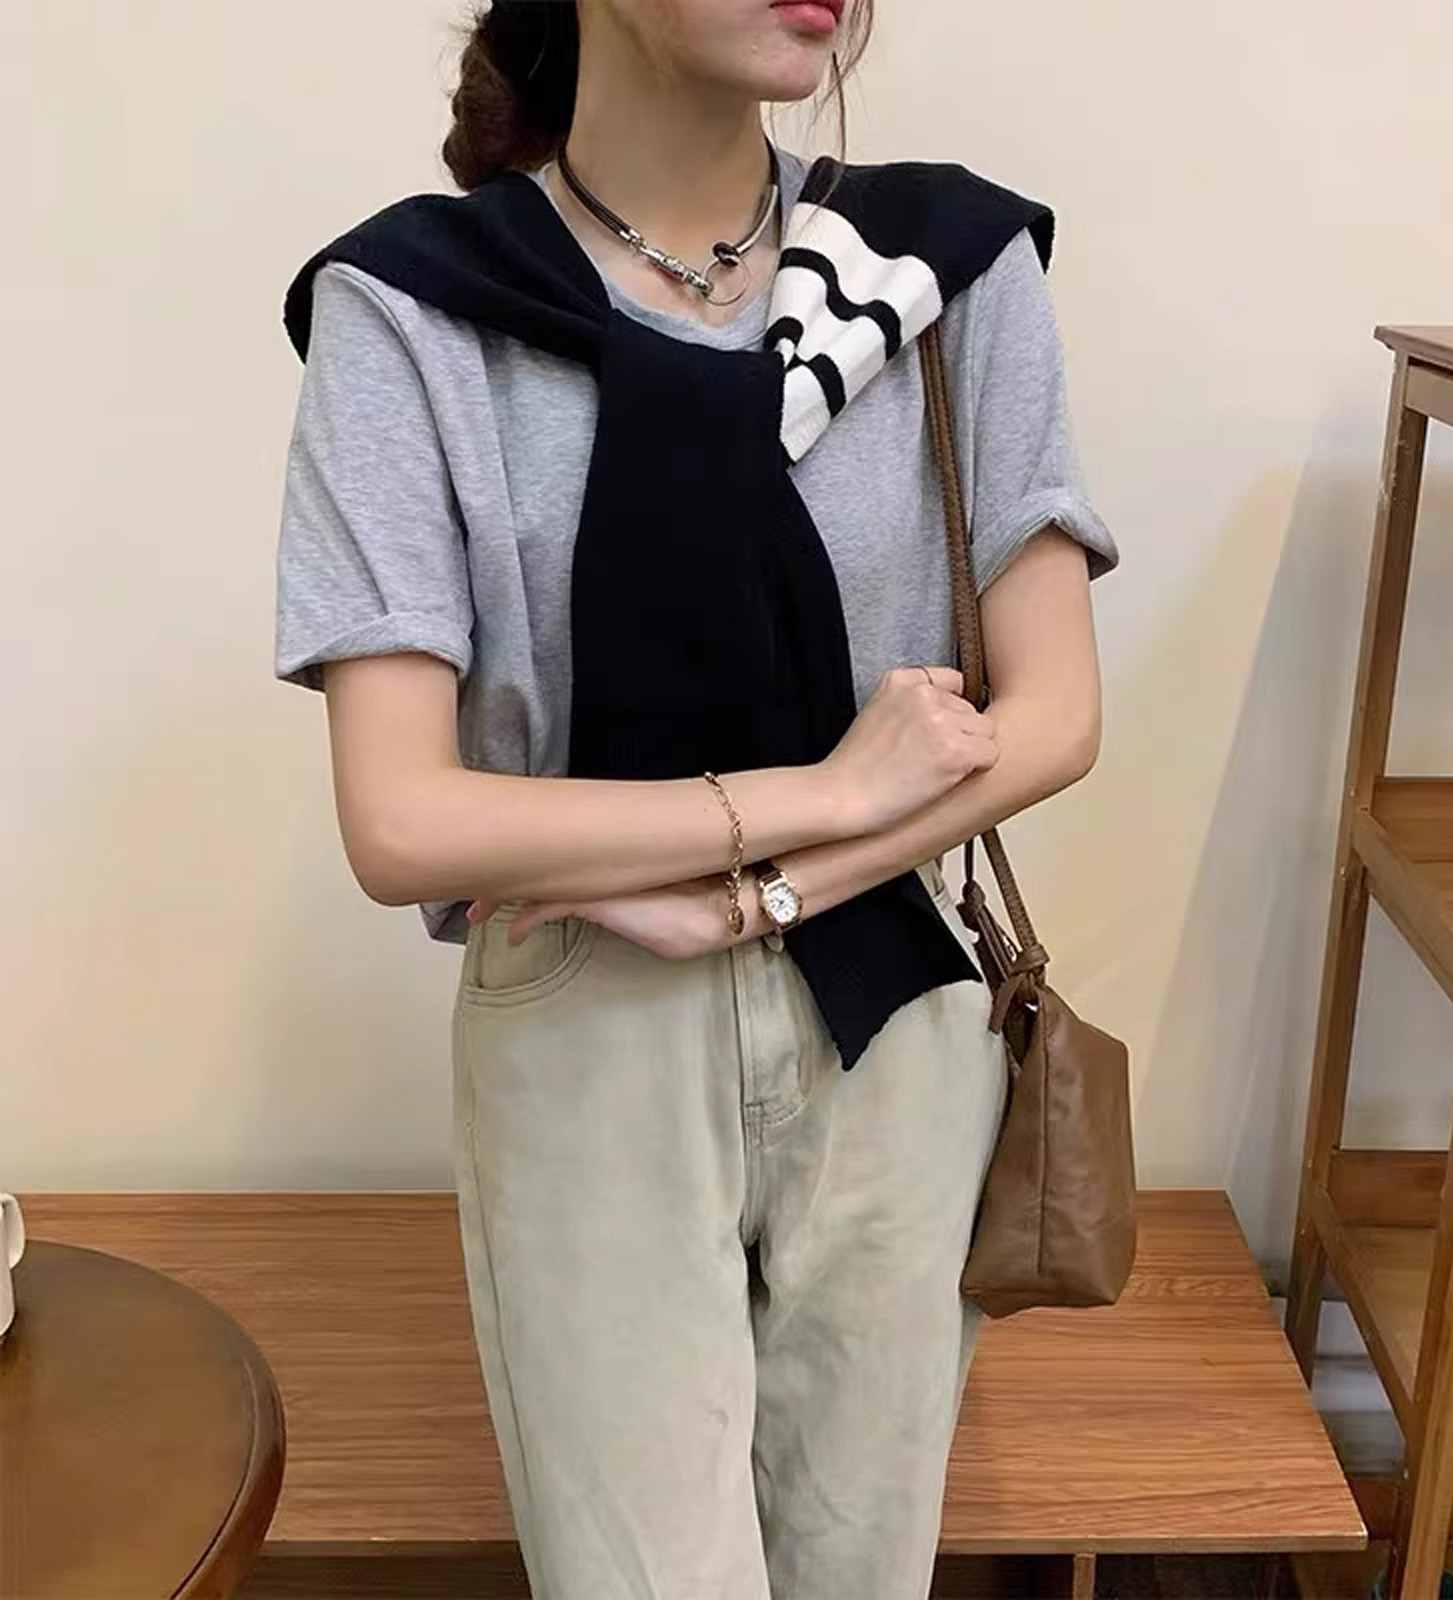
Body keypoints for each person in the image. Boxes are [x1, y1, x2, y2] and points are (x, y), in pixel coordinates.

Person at [275, 1, 1118, 1595]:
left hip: (898, 1021)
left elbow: (1056, 713)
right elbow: (402, 819)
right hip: (587, 1030)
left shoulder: (945, 266)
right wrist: (820, 792)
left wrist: (764, 890)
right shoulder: (412, 307)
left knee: (865, 1570)